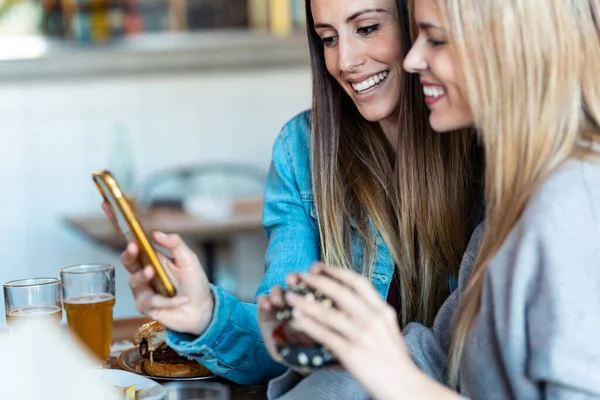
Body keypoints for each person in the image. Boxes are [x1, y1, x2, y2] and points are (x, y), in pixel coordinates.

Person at [106, 0, 481, 385]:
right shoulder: (301, 149)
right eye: (328, 39)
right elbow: (281, 342)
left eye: (367, 28)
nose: (345, 61)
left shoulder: (489, 153)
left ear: (418, 23)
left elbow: (477, 361)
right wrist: (204, 313)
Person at [273, 0, 600, 398]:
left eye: (437, 39)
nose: (413, 58)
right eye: (327, 38)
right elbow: (439, 354)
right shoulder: (511, 208)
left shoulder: (571, 204)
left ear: (510, 48)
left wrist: (398, 379)